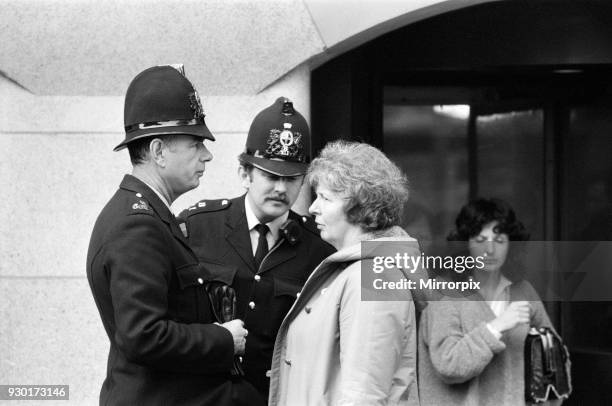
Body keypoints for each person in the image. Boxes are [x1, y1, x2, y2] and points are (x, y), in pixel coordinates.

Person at [86, 65, 260, 405]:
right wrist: (223, 339)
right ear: (158, 151)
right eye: (195, 143)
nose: (207, 155)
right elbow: (143, 336)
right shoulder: (136, 225)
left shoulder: (148, 216)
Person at [178, 97, 335, 399]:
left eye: (291, 179)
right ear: (244, 173)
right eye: (270, 176)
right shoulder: (198, 226)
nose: (280, 188)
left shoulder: (319, 248)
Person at [269, 140, 421, 406]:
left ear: (362, 207)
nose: (313, 208)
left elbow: (365, 395)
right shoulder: (355, 270)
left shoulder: (374, 276)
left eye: (325, 198)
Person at [418, 198, 560, 405]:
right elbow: (449, 364)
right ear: (465, 243)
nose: (490, 250)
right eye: (480, 240)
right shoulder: (445, 292)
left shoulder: (523, 291)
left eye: (499, 240)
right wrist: (497, 326)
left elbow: (552, 360)